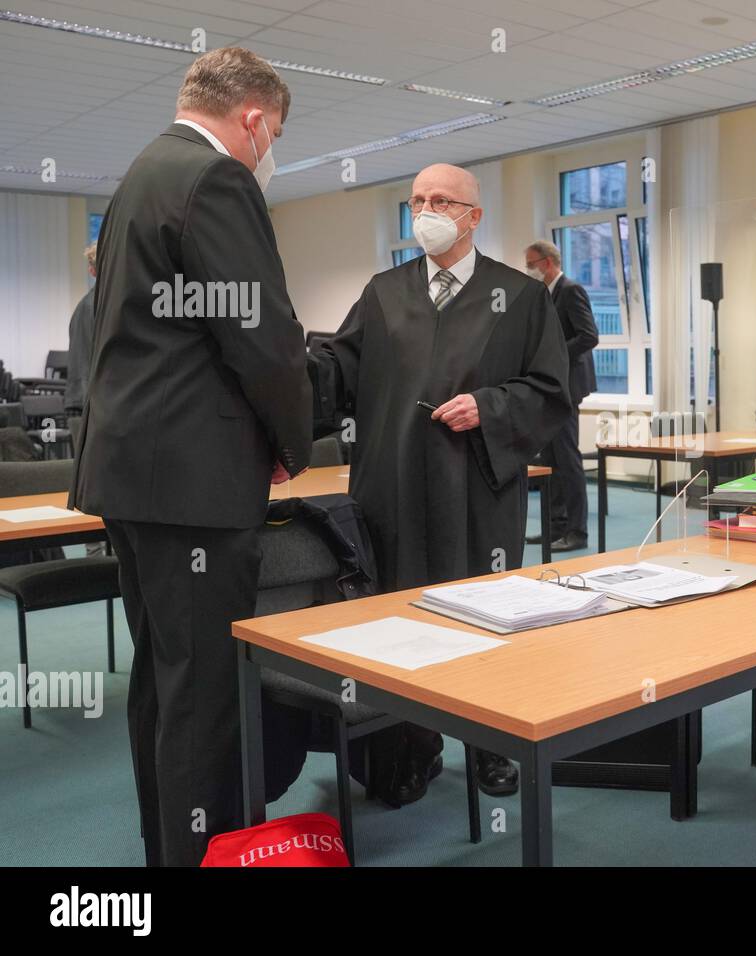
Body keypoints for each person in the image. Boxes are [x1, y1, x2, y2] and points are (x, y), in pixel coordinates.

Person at [69, 47, 313, 865]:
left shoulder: (142, 173)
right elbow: (265, 338)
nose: (268, 150)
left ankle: (167, 848)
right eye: (272, 133)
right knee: (205, 693)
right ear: (253, 119)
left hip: (133, 478)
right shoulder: (217, 179)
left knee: (164, 683)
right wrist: (290, 440)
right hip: (195, 486)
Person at [310, 163, 570, 800]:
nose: (427, 210)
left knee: (480, 616)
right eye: (418, 200)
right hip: (391, 485)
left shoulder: (521, 296)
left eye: (443, 201)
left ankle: (490, 745)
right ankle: (409, 746)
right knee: (400, 619)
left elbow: (549, 389)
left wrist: (491, 406)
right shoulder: (383, 291)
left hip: (475, 488)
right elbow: (339, 371)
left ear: (473, 217)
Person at [523, 240, 598, 552]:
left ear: (547, 262)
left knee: (567, 461)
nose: (528, 269)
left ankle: (577, 532)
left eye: (531, 264)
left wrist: (554, 355)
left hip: (568, 386)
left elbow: (589, 335)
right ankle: (555, 526)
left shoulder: (570, 289)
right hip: (550, 388)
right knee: (551, 460)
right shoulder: (546, 294)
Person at [65, 242, 97, 416]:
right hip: (91, 407)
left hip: (82, 402)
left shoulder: (84, 307)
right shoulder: (98, 307)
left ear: (91, 271)